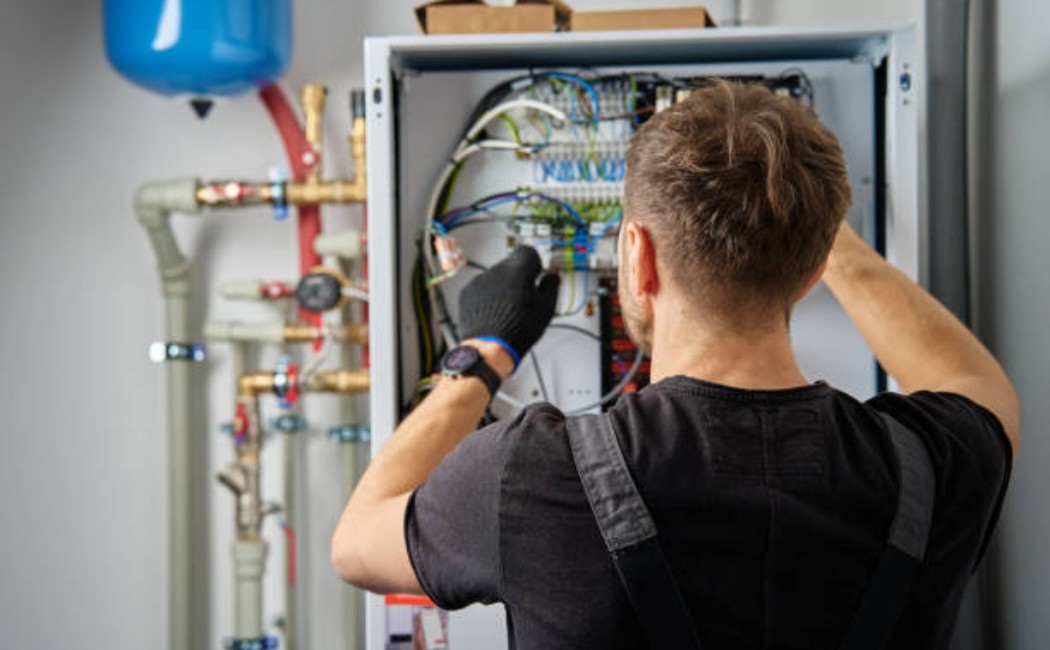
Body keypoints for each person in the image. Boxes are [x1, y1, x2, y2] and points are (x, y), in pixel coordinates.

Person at [331, 81, 1018, 649]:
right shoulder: (932, 467)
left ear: (637, 256)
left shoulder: (533, 477)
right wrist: (811, 229)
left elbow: (356, 544)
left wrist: (482, 356)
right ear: (811, 274)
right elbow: (974, 382)